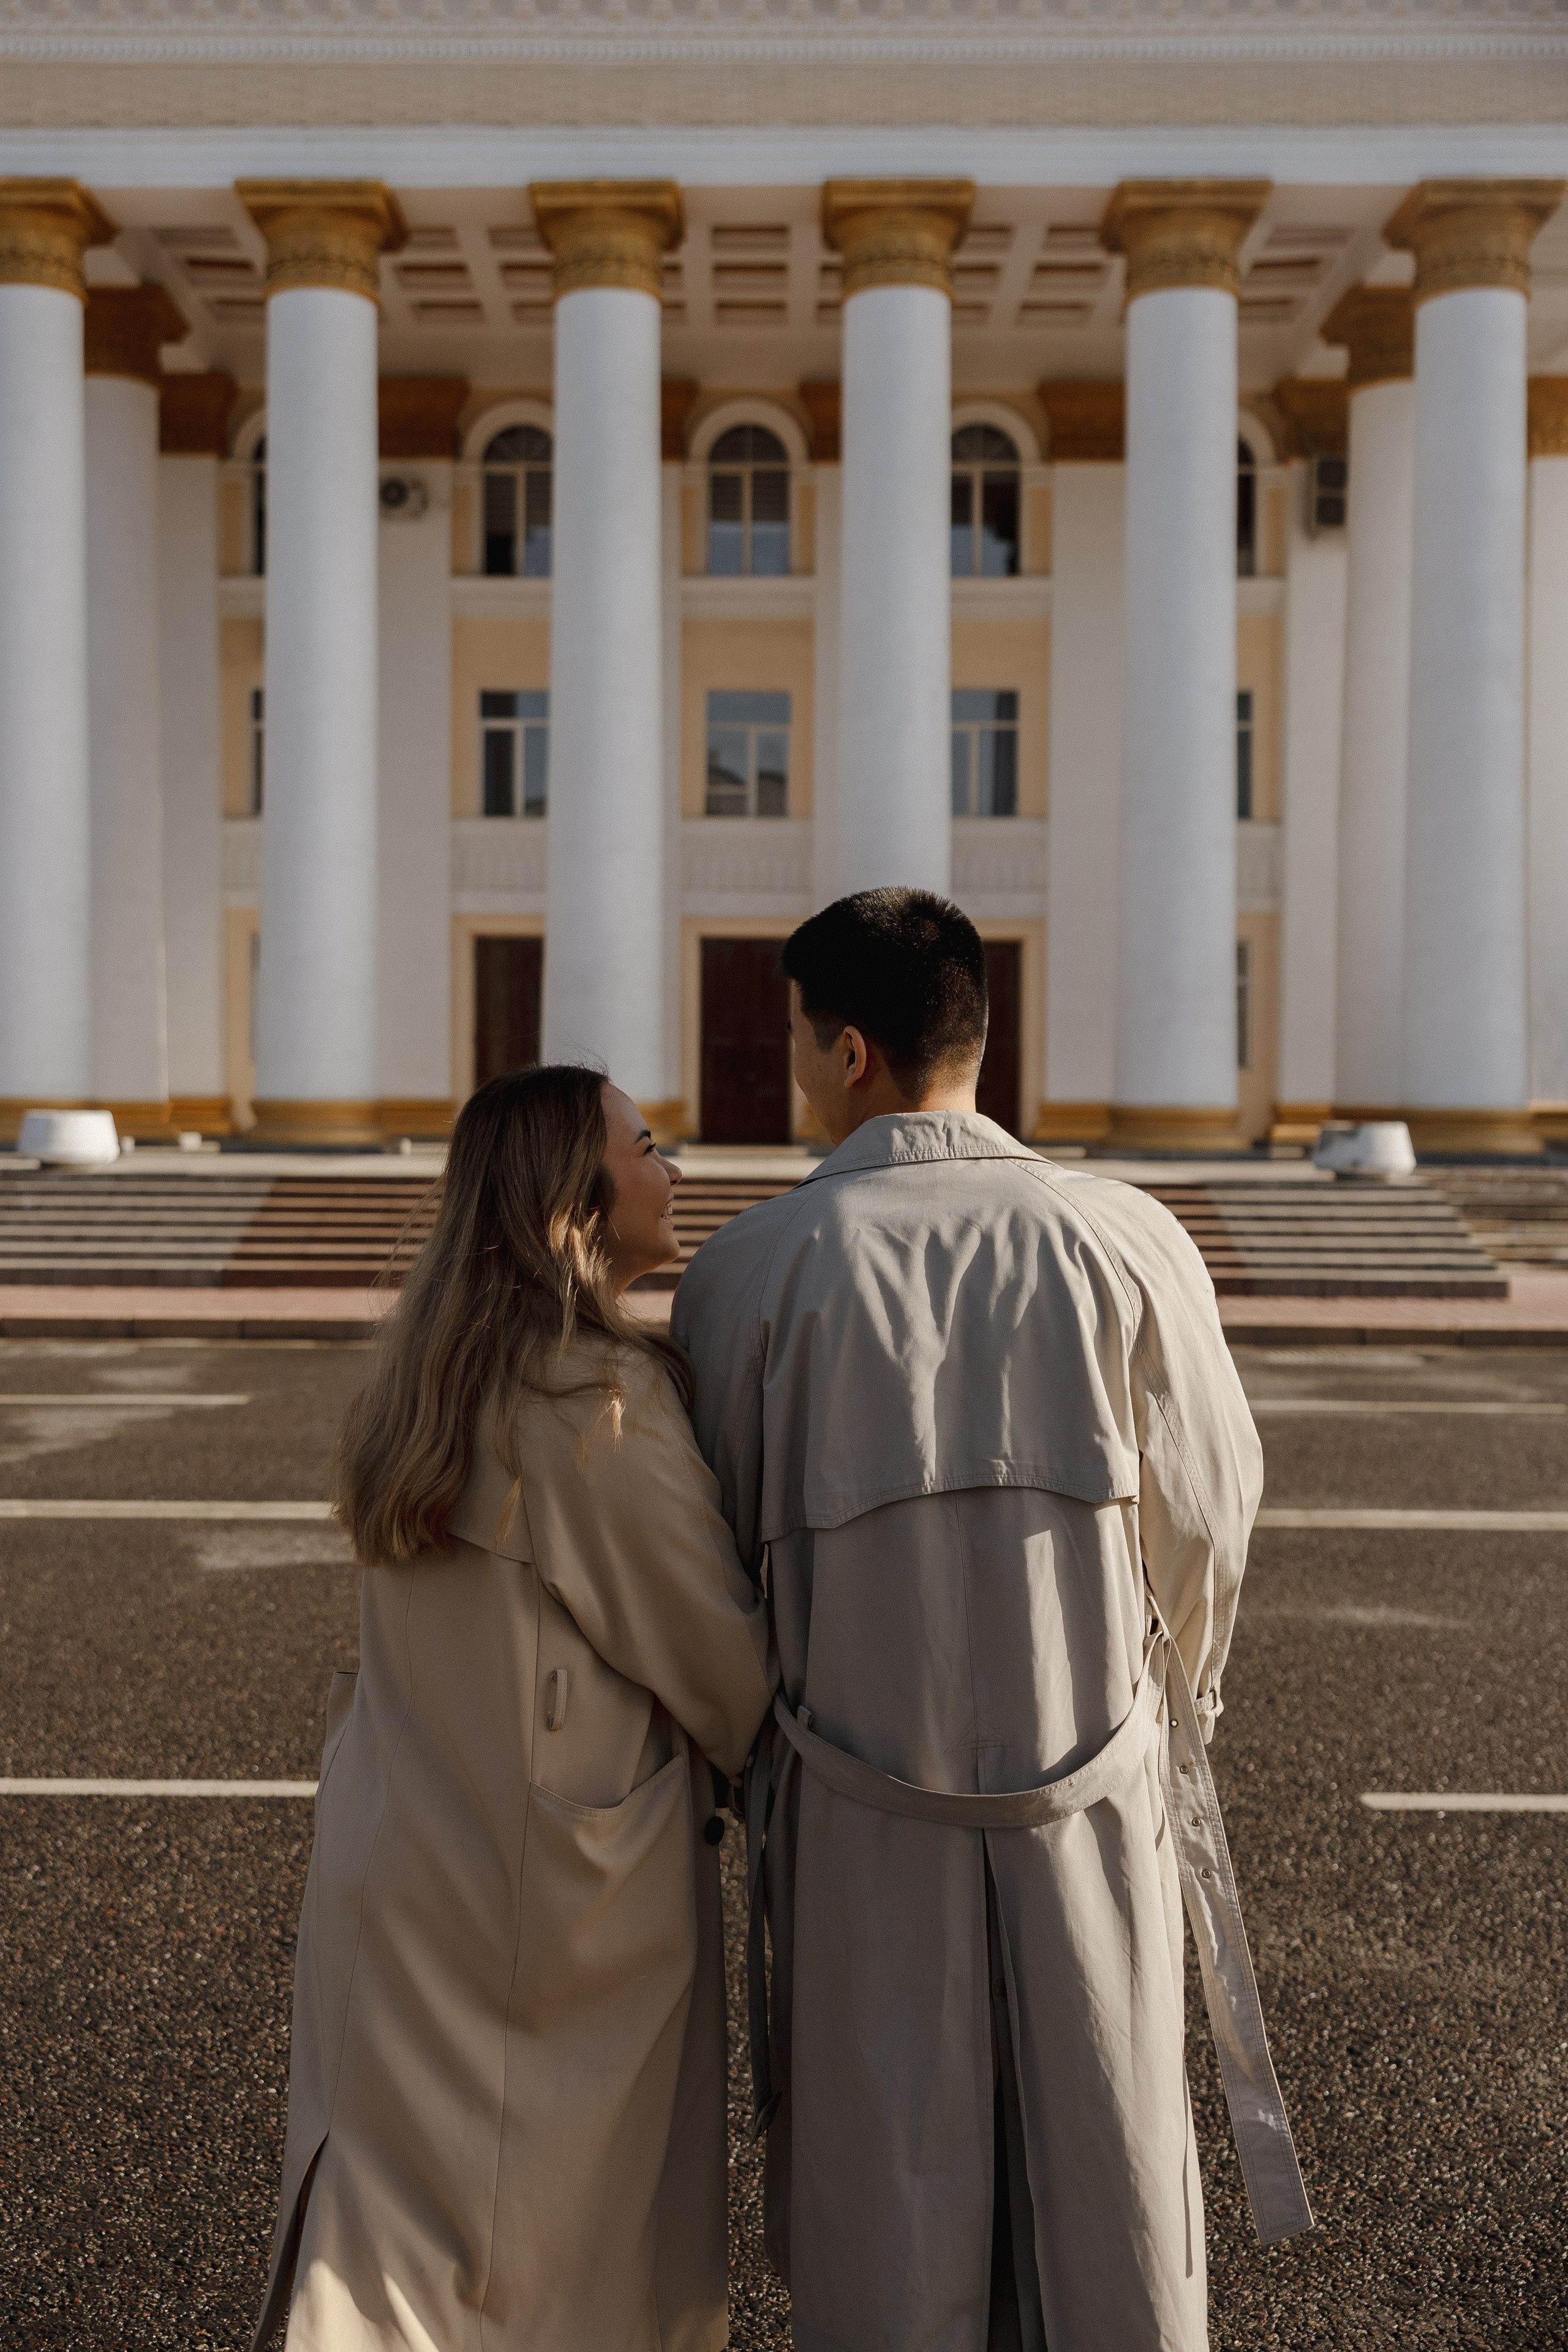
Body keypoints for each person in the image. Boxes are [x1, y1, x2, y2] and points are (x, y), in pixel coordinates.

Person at [671, 888, 1312, 2352]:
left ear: (845, 1053)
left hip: (847, 1803)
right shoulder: (1127, 1238)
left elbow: (707, 1560)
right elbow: (1211, 1512)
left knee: (879, 2184)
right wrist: (1173, 1712)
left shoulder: (751, 1271)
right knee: (1107, 2174)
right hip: (1088, 1779)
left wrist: (744, 1757)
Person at [254, 1065, 777, 2352]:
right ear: (574, 1197)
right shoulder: (588, 1403)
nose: (672, 1170)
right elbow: (724, 1672)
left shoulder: (428, 1377)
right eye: (645, 1147)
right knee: (541, 2263)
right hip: (546, 1905)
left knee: (396, 2237)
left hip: (408, 1862)